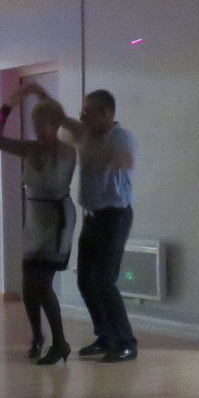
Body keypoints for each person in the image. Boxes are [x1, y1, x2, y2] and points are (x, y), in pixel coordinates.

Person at [0, 85, 77, 364]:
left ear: (55, 124)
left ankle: (60, 342)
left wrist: (47, 101)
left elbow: (51, 181)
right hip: (36, 220)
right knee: (28, 285)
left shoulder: (66, 151)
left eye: (42, 123)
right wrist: (8, 106)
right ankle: (37, 336)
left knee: (42, 284)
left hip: (57, 219)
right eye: (34, 123)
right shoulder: (29, 148)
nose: (37, 128)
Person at [55, 88, 139, 363]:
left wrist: (99, 152)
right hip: (93, 217)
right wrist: (40, 95)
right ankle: (106, 337)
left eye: (87, 112)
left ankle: (126, 342)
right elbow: (66, 122)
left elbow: (126, 160)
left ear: (105, 113)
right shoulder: (88, 134)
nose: (82, 116)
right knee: (85, 279)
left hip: (114, 217)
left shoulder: (120, 137)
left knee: (104, 280)